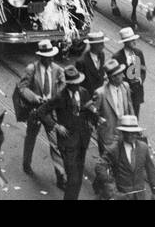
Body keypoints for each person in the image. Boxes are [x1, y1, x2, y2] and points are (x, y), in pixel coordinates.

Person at [17, 40, 66, 188]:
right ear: (40, 56)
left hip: (50, 111)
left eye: (51, 56)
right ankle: (26, 163)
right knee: (31, 136)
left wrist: (56, 96)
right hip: (36, 110)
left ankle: (60, 176)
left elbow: (64, 85)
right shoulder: (31, 69)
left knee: (55, 143)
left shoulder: (57, 69)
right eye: (46, 57)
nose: (50, 59)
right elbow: (22, 87)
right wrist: (34, 97)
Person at [51, 66, 97, 201]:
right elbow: (42, 111)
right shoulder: (60, 97)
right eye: (74, 84)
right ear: (69, 85)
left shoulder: (83, 92)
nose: (77, 86)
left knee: (78, 180)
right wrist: (56, 125)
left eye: (78, 83)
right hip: (67, 143)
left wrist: (93, 121)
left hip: (82, 140)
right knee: (73, 178)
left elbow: (88, 109)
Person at [109, 114, 155, 200]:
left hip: (140, 196)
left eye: (134, 133)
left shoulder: (143, 147)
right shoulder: (114, 149)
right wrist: (113, 192)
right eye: (128, 133)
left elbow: (151, 170)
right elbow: (101, 169)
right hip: (122, 196)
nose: (132, 136)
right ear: (123, 133)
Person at [114, 27, 147, 115]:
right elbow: (115, 76)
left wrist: (140, 79)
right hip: (124, 94)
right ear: (125, 42)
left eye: (134, 40)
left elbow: (143, 70)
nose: (134, 42)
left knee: (135, 117)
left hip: (137, 93)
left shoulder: (138, 53)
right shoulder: (117, 57)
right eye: (131, 40)